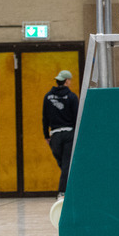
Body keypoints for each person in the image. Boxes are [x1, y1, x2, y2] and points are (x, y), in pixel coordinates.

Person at [43, 70, 79, 198]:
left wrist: (46, 135)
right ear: (67, 81)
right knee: (66, 164)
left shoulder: (47, 97)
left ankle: (65, 189)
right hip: (69, 133)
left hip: (55, 135)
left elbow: (45, 118)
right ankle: (63, 192)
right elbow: (77, 117)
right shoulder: (72, 97)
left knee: (63, 164)